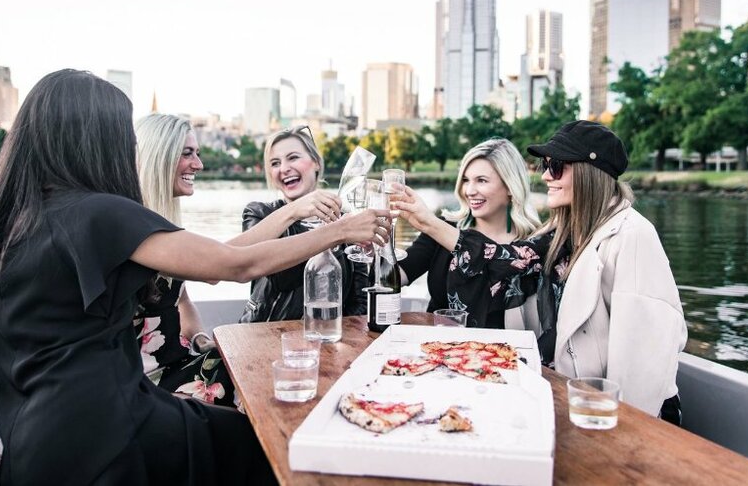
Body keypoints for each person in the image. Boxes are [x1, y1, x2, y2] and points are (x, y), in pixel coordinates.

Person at [0, 69, 389, 484]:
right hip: (107, 431)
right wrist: (339, 231)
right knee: (267, 447)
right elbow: (233, 265)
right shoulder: (100, 213)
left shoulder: (4, 222)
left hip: (33, 441)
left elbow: (223, 256)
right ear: (97, 139)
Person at [395, 121, 687, 423]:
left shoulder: (633, 235)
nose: (546, 175)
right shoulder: (562, 230)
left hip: (621, 415)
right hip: (573, 396)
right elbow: (507, 261)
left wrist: (627, 429)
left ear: (589, 173)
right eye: (546, 165)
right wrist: (426, 222)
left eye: (557, 166)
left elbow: (643, 356)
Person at [134, 113, 236, 406]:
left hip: (177, 362)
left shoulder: (165, 224)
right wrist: (295, 213)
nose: (199, 164)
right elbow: (232, 264)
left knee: (243, 362)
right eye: (187, 153)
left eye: (198, 153)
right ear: (159, 157)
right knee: (246, 379)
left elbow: (181, 300)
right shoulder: (135, 229)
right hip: (145, 381)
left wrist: (199, 338)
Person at [397, 138, 541, 329]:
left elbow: (490, 258)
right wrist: (375, 247)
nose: (469, 191)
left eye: (481, 180)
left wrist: (428, 222)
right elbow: (397, 276)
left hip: (499, 354)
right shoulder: (445, 227)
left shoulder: (532, 244)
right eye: (466, 180)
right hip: (435, 349)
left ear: (510, 187)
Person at [239, 126, 370, 323]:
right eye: (275, 163)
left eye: (293, 158)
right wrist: (331, 236)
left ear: (316, 163)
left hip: (329, 338)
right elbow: (282, 277)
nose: (283, 168)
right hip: (266, 335)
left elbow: (359, 301)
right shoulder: (259, 214)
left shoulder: (346, 222)